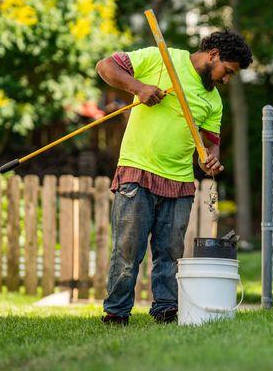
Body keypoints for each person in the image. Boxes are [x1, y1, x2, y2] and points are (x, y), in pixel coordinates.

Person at [95, 30, 253, 325]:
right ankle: (116, 312)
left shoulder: (213, 101)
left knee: (170, 254)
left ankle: (166, 311)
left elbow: (210, 142)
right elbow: (105, 66)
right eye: (227, 71)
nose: (226, 79)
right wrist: (139, 87)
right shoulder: (163, 60)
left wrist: (210, 159)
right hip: (138, 171)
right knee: (128, 251)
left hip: (179, 183)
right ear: (214, 55)